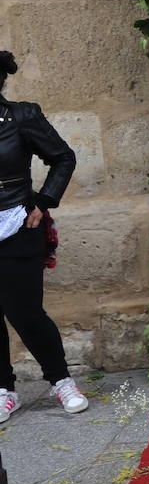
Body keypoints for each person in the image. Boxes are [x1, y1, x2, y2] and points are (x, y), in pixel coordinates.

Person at [0, 50, 87, 422]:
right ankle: (4, 390)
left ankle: (61, 380)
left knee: (26, 311)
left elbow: (63, 157)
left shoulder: (21, 116)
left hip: (17, 223)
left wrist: (44, 202)